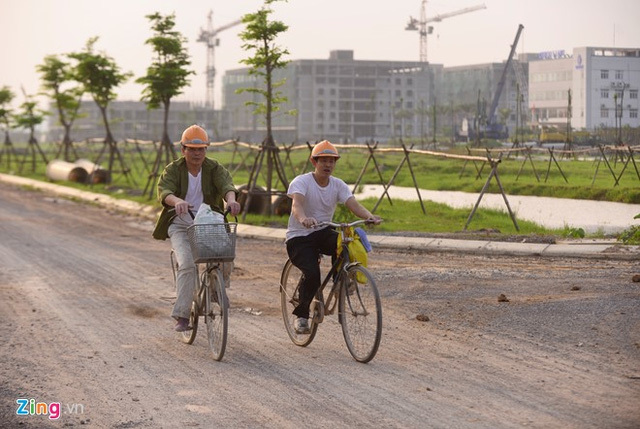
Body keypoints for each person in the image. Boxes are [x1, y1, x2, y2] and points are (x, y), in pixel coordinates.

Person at [285, 140, 381, 334]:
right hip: (299, 236)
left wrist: (368, 216)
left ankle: (342, 281)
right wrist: (303, 219)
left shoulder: (338, 185)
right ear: (314, 162)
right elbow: (297, 205)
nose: (328, 165)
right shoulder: (302, 181)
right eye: (324, 161)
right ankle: (302, 316)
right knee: (313, 273)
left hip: (322, 231)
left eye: (332, 161)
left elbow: (353, 204)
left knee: (345, 242)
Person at [152, 124, 241, 332]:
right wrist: (177, 202)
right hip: (181, 225)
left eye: (200, 149)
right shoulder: (173, 169)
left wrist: (231, 201)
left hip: (208, 224)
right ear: (183, 150)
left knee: (225, 257)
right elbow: (164, 191)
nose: (196, 153)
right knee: (187, 265)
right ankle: (182, 315)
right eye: (191, 149)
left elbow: (227, 186)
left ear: (206, 150)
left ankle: (216, 290)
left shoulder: (214, 168)